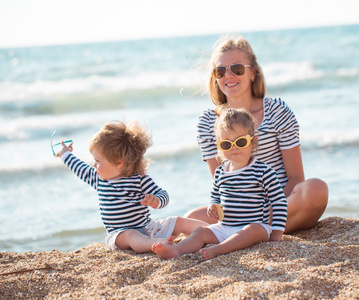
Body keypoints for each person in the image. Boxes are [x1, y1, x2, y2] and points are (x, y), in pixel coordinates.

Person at [184, 35, 328, 234]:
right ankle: (252, 231)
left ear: (253, 73)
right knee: (189, 218)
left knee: (316, 190)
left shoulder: (277, 111)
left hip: (281, 204)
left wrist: (266, 210)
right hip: (237, 210)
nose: (228, 76)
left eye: (237, 69)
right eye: (220, 71)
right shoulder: (208, 122)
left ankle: (248, 231)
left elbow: (296, 179)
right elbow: (222, 183)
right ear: (215, 77)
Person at [152, 108, 287, 260]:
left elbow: (279, 202)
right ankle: (177, 250)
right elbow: (215, 196)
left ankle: (220, 249)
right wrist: (212, 207)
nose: (234, 147)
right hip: (225, 227)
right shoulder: (221, 172)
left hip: (254, 227)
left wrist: (276, 231)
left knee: (254, 230)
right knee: (200, 231)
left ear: (253, 141)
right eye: (226, 145)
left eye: (241, 141)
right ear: (219, 146)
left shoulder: (263, 171)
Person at [54, 120, 208, 253]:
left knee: (178, 221)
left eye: (98, 161)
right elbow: (77, 166)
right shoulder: (98, 178)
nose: (94, 165)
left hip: (148, 228)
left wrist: (157, 200)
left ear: (119, 162)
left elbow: (163, 195)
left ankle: (214, 231)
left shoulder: (139, 179)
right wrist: (64, 153)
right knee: (131, 235)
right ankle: (155, 245)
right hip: (120, 236)